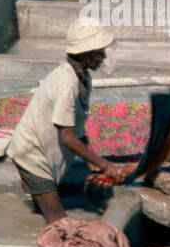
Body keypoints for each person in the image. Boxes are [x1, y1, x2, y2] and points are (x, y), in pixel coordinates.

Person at [8, 18, 127, 224]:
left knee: (43, 211)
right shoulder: (67, 83)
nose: (102, 56)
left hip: (42, 153)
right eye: (99, 52)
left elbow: (78, 132)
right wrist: (106, 165)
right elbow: (68, 139)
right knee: (60, 223)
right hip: (32, 155)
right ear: (86, 53)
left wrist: (93, 165)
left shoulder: (83, 77)